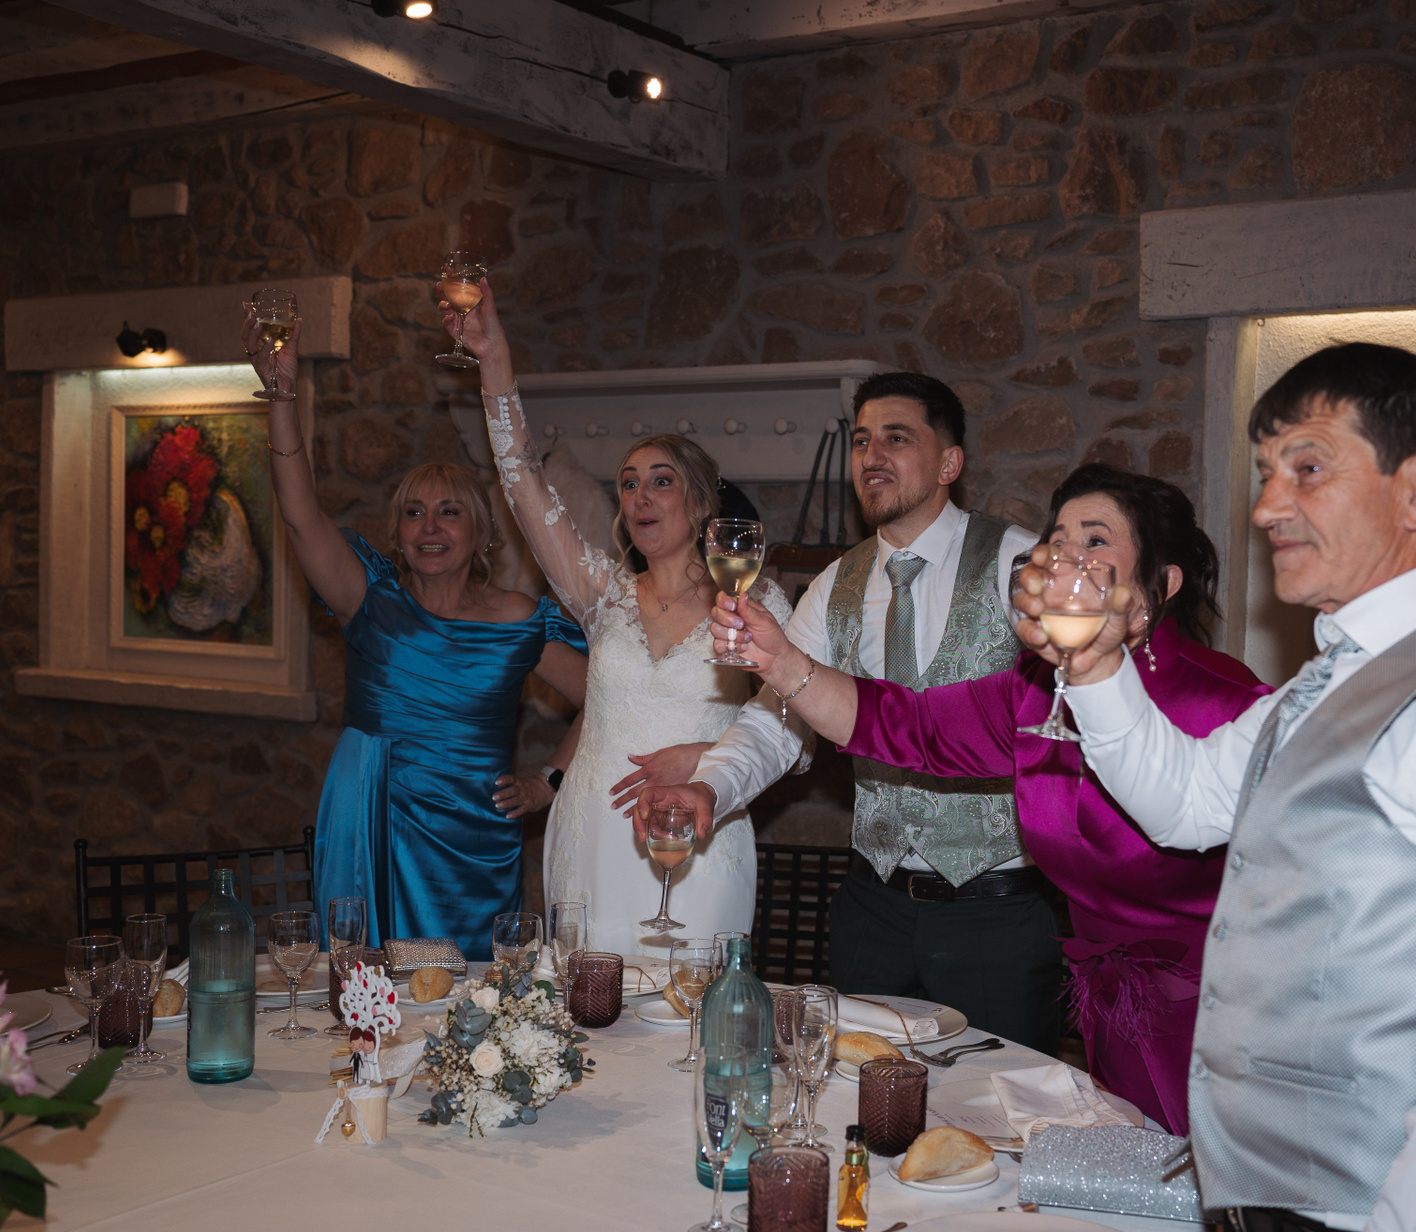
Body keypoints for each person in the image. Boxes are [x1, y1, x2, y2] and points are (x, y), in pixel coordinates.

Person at [1021, 343, 1416, 1232]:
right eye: (1265, 474)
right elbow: (1184, 802)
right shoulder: (1322, 683)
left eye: (1306, 468)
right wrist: (1092, 664)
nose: (1266, 507)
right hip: (1266, 1231)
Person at [707, 465, 1270, 1131]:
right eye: (1057, 541)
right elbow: (907, 724)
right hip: (1107, 1005)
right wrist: (781, 662)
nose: (1064, 559)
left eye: (1094, 541)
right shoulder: (1040, 691)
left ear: (1161, 585)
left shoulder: (1227, 703)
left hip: (1217, 1013)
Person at [639, 373, 1054, 1051]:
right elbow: (775, 718)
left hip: (995, 915)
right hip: (873, 909)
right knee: (853, 1091)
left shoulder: (1020, 563)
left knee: (1000, 1098)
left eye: (897, 438)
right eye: (861, 441)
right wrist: (709, 786)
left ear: (949, 463)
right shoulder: (836, 584)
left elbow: (1059, 717)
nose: (871, 456)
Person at [437, 282, 795, 956]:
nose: (639, 496)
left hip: (698, 831)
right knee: (588, 996)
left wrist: (708, 757)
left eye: (660, 480)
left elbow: (792, 723)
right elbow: (520, 480)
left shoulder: (754, 600)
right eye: (629, 483)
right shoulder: (603, 593)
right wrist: (495, 363)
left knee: (691, 995)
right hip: (594, 832)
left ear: (699, 503)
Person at [240, 308, 589, 961]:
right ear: (398, 534)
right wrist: (282, 397)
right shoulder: (367, 600)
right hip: (374, 821)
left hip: (476, 841)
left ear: (480, 534)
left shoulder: (517, 618)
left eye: (449, 512)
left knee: (477, 1002)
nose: (429, 527)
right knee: (370, 988)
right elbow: (299, 516)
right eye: (414, 513)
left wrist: (548, 781)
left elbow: (609, 697)